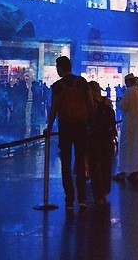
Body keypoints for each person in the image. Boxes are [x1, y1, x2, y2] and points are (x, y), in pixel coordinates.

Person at [44, 56, 93, 210]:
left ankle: (69, 199)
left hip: (65, 127)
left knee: (65, 162)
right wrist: (89, 121)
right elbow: (90, 103)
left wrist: (49, 127)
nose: (57, 70)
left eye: (57, 67)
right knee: (80, 161)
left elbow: (54, 108)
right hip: (81, 126)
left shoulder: (58, 86)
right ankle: (82, 198)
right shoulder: (82, 82)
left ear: (61, 68)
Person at [114, 73, 138, 181]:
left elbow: (123, 106)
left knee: (129, 147)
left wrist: (119, 102)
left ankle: (128, 170)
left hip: (130, 124)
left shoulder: (128, 92)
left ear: (128, 82)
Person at [87, 81, 116, 205]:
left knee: (95, 165)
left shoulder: (90, 103)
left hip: (94, 137)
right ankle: (105, 190)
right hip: (107, 137)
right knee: (106, 164)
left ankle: (98, 193)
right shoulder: (107, 102)